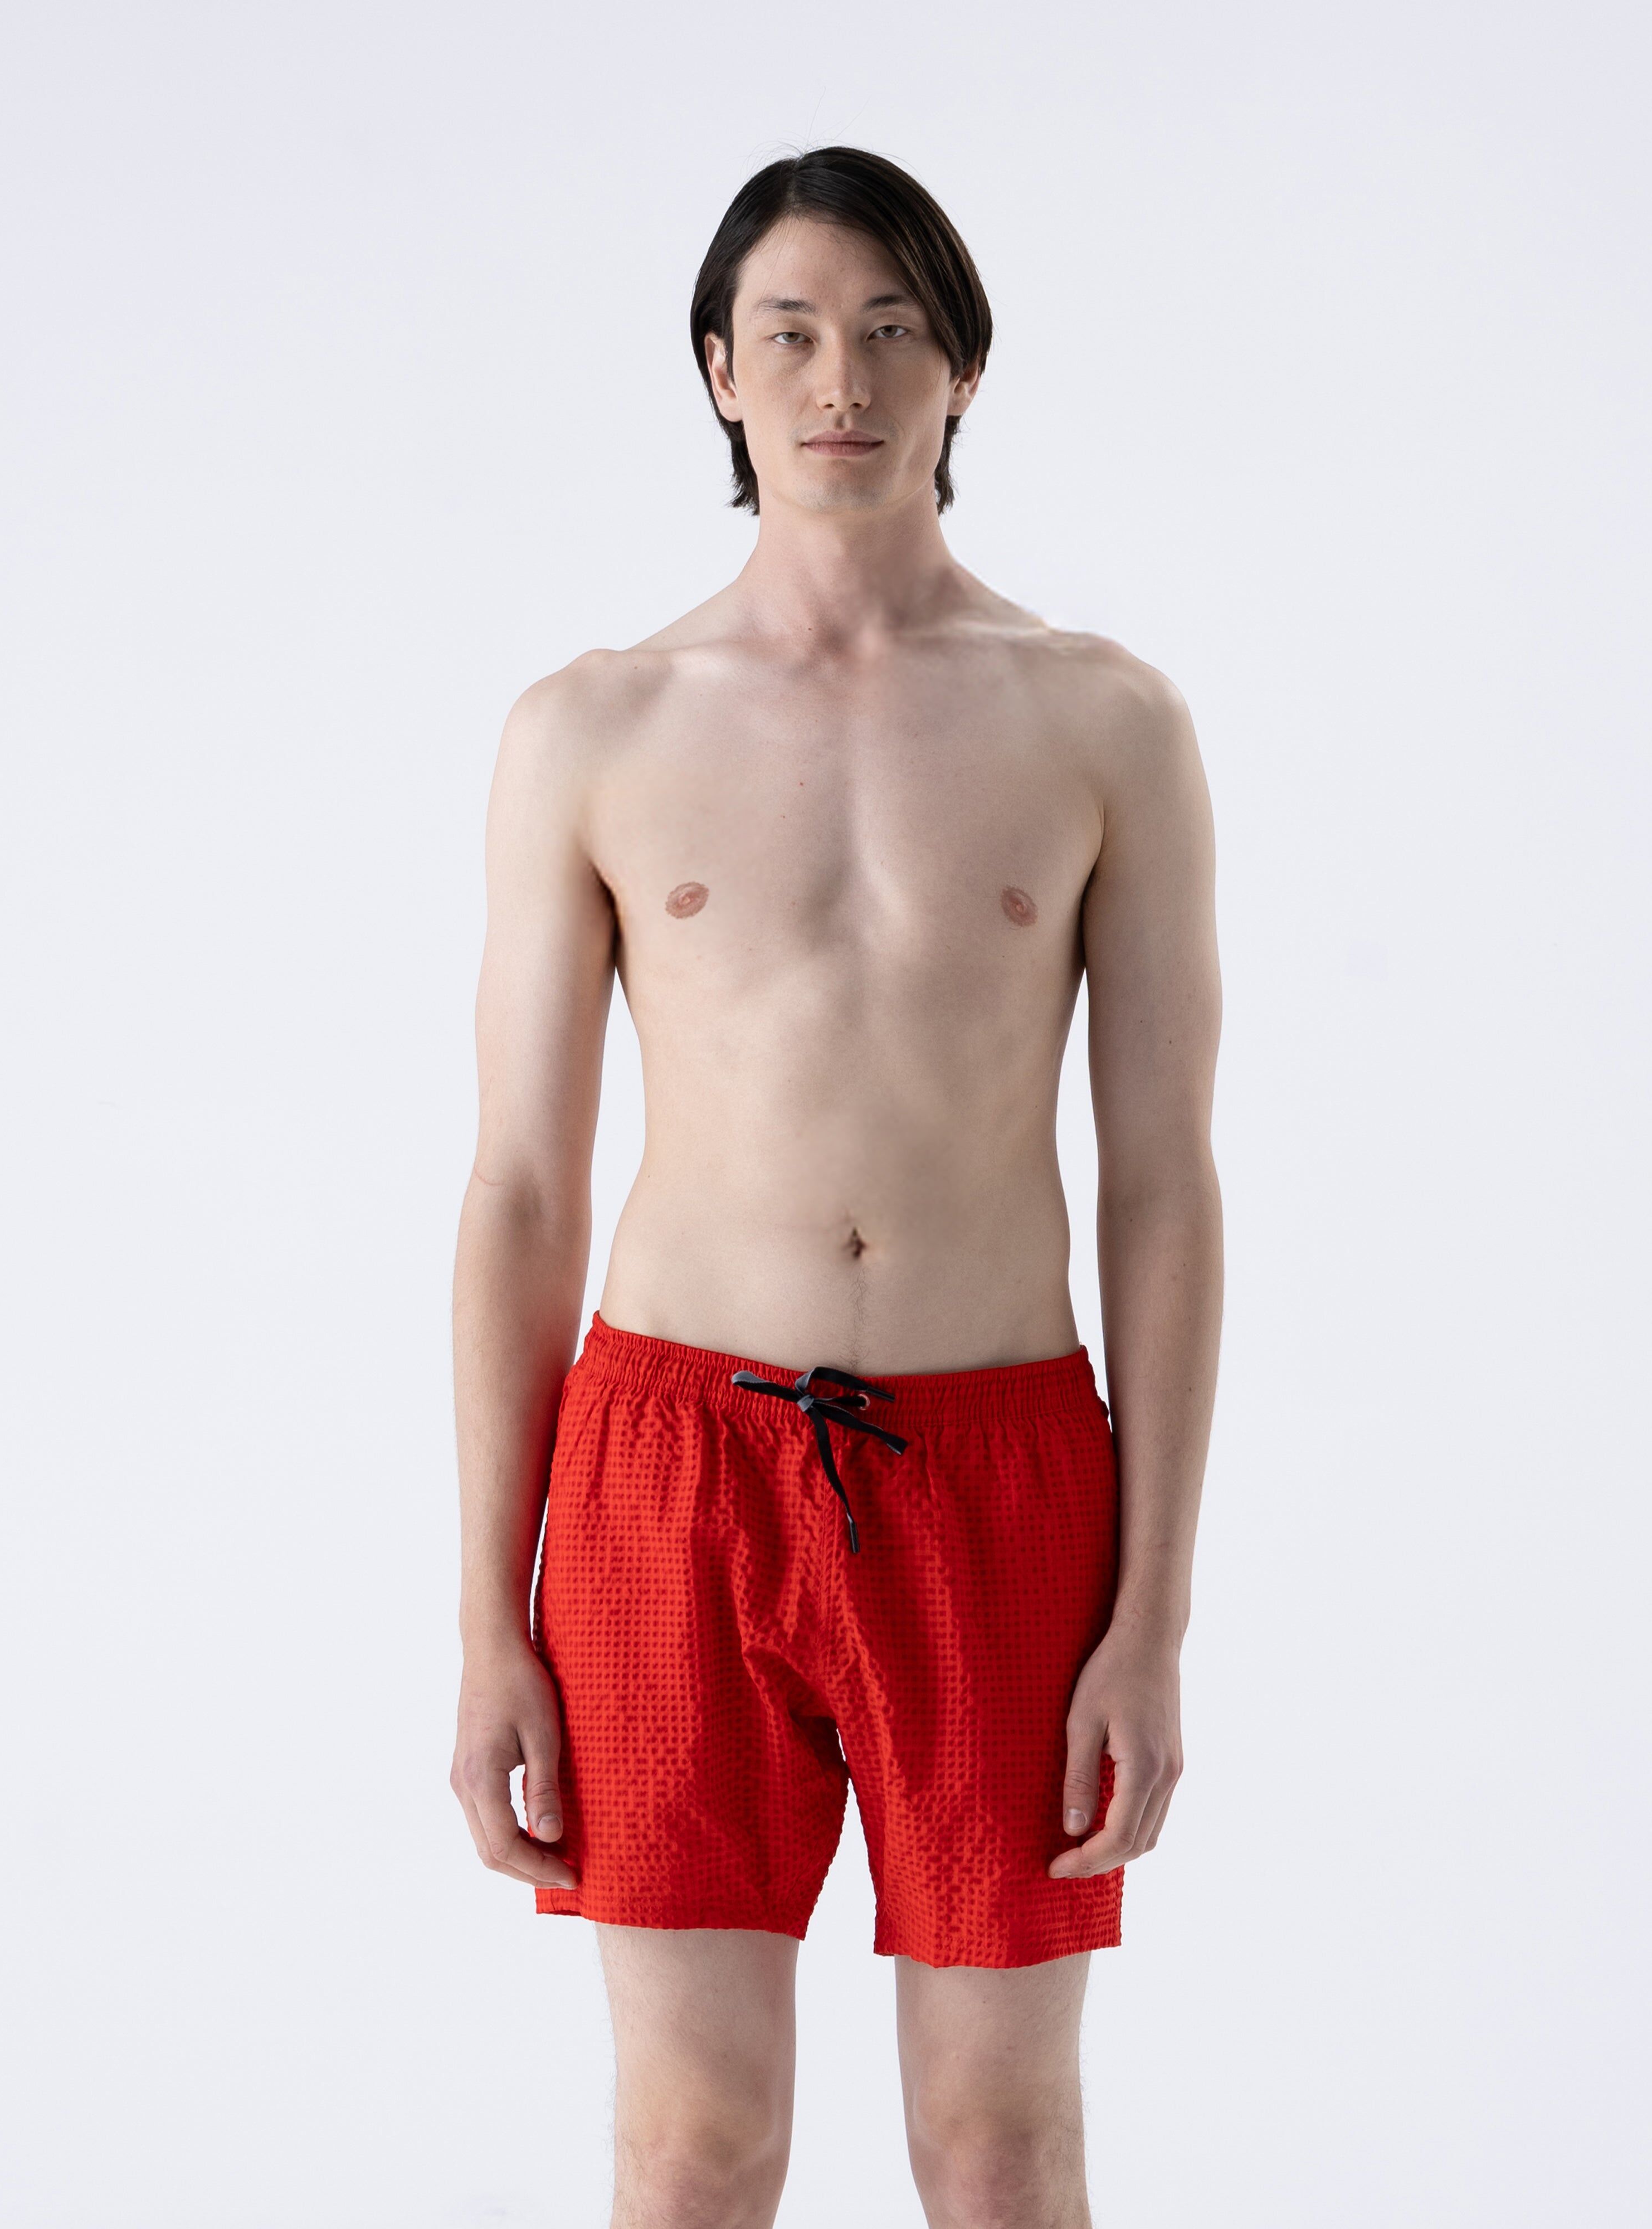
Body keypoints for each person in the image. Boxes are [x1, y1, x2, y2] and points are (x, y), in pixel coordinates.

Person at [450, 145, 1222, 2229]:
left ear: (965, 366)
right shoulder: (593, 728)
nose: (841, 380)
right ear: (719, 371)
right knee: (693, 2144)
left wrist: (1152, 1618)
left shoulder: (1107, 722)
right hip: (670, 1466)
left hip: (1000, 1472)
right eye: (789, 333)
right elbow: (520, 1189)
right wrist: (488, 1618)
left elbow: (1165, 1182)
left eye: (892, 330)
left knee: (1001, 2145)